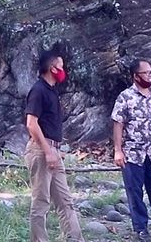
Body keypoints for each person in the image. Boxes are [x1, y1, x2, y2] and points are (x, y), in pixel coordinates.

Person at [112, 59, 151, 241]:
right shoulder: (125, 97)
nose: (150, 75)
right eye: (146, 73)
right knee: (135, 193)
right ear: (135, 76)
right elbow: (118, 124)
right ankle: (141, 230)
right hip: (133, 154)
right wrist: (118, 150)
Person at [25, 50, 85, 242]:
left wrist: (55, 150)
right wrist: (48, 150)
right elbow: (31, 123)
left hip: (53, 150)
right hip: (41, 150)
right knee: (41, 201)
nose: (63, 70)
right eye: (61, 66)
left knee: (65, 200)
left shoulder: (52, 91)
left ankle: (74, 238)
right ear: (52, 68)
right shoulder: (38, 90)